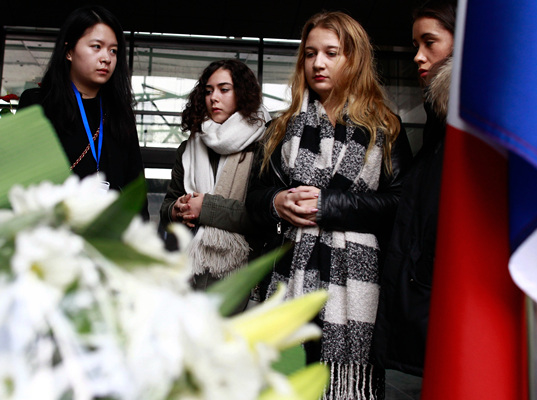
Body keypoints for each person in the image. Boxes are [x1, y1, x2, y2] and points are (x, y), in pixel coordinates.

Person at [246, 11, 413, 399]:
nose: (318, 63)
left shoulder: (384, 127)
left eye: (331, 53)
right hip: (285, 275)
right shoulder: (280, 127)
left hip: (356, 282)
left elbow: (401, 204)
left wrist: (329, 205)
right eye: (310, 53)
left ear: (353, 59)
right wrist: (277, 201)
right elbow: (253, 200)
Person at [372, 0, 456, 380]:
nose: (419, 58)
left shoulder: (469, 125)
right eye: (415, 47)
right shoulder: (440, 124)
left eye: (430, 43)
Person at [17, 5, 148, 216]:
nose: (106, 57)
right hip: (52, 230)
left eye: (113, 50)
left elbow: (136, 188)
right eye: (96, 47)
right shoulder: (38, 104)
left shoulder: (119, 113)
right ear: (69, 51)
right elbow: (20, 182)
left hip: (108, 237)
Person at [159, 59, 270, 295]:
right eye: (208, 91)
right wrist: (176, 210)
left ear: (242, 93)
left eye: (224, 89)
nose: (214, 98)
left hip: (241, 277)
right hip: (186, 271)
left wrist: (206, 207)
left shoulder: (265, 146)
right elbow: (167, 205)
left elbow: (263, 215)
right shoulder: (189, 147)